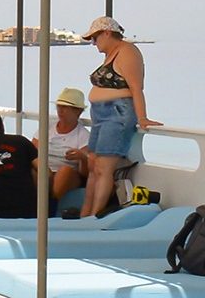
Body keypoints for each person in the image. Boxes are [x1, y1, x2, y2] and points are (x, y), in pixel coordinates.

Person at [80, 17, 158, 218]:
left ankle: (93, 216)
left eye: (95, 38)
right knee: (93, 167)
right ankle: (84, 215)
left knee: (103, 168)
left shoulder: (127, 52)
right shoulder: (110, 54)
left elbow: (136, 88)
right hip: (100, 114)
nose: (93, 43)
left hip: (116, 113)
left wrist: (142, 117)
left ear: (107, 33)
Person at [33, 87, 91, 206]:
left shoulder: (83, 135)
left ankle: (50, 206)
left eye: (65, 107)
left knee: (65, 171)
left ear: (77, 111)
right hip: (44, 169)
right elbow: (32, 151)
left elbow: (85, 173)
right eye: (59, 106)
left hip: (67, 174)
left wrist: (82, 157)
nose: (60, 110)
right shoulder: (47, 127)